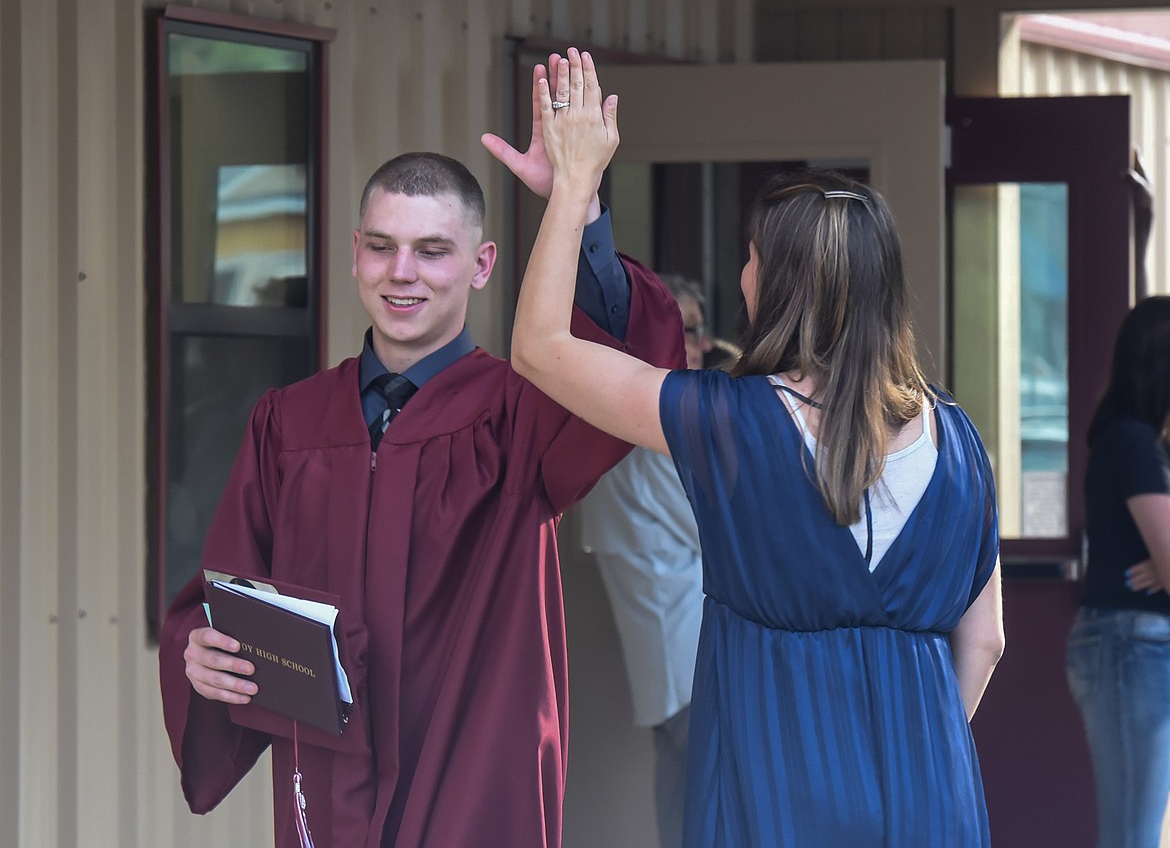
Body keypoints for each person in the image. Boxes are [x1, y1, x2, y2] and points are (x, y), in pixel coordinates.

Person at [157, 54, 685, 848]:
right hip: (329, 801)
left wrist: (579, 204)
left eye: (432, 250)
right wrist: (200, 653)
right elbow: (223, 598)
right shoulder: (287, 425)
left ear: (481, 265)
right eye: (381, 246)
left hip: (476, 800)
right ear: (356, 253)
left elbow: (630, 364)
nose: (402, 273)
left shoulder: (523, 415)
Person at [511, 48, 1004, 847]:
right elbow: (985, 641)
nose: (742, 273)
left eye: (750, 256)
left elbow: (538, 347)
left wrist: (574, 189)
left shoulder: (729, 421)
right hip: (931, 795)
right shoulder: (962, 442)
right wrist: (916, 750)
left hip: (776, 791)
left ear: (773, 282)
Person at [578, 274, 711, 848]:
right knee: (706, 814)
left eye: (700, 330)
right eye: (683, 330)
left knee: (682, 808)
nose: (698, 345)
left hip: (672, 666)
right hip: (695, 662)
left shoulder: (622, 418)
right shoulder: (655, 425)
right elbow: (729, 534)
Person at [1066, 296, 1170, 848]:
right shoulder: (1132, 443)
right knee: (1132, 835)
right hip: (1132, 644)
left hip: (1136, 645)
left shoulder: (1143, 444)